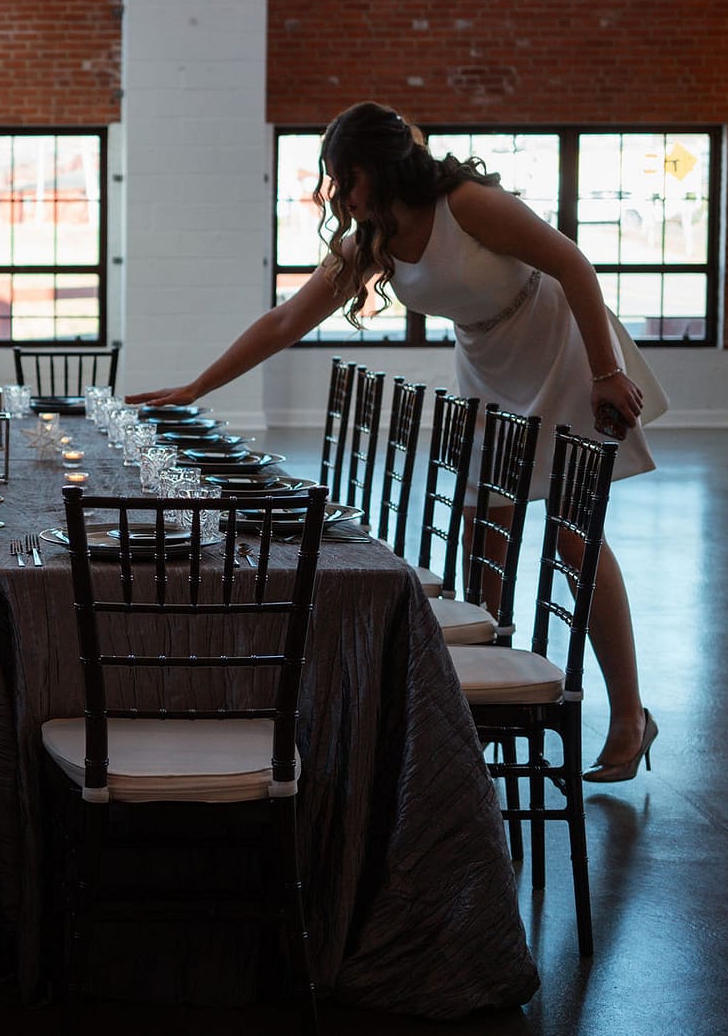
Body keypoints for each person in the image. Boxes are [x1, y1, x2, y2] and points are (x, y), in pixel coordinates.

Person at [129, 101, 664, 782]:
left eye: (341, 178)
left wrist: (606, 370)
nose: (336, 195)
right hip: (488, 360)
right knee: (486, 533)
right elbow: (286, 319)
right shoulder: (371, 239)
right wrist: (195, 387)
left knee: (573, 538)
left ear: (374, 169)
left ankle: (627, 716)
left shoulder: (467, 202)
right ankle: (485, 705)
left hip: (559, 346)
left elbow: (572, 263)